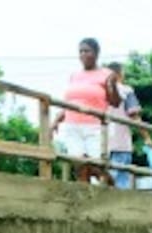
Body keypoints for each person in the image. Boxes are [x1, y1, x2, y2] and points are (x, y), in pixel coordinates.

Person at [50, 38, 120, 183]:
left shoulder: (107, 74)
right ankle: (86, 201)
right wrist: (56, 121)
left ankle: (113, 187)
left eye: (86, 51)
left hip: (95, 127)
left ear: (96, 53)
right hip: (72, 126)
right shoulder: (74, 76)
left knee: (96, 167)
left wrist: (111, 86)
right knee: (80, 167)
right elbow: (68, 102)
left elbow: (116, 102)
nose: (83, 54)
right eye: (80, 51)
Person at [105, 62, 152, 189]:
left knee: (103, 182)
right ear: (119, 74)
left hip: (101, 145)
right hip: (120, 144)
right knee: (120, 183)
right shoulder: (126, 91)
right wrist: (147, 138)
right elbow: (135, 116)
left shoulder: (99, 92)